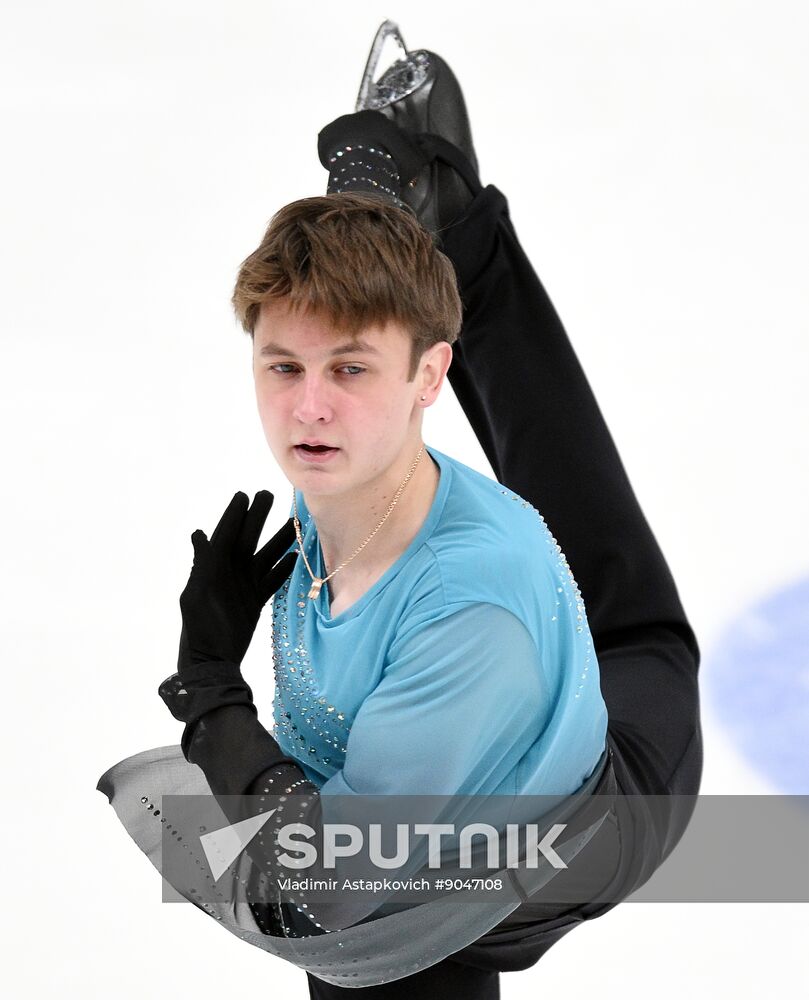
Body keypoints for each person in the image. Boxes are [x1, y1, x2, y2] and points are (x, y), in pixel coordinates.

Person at [97, 21, 703, 1000]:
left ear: (431, 377)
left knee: (636, 629)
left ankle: (464, 241)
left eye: (347, 370)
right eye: (281, 366)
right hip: (410, 842)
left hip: (577, 831)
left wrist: (210, 694)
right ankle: (453, 230)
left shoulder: (471, 611)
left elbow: (324, 882)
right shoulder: (346, 447)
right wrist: (370, 210)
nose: (307, 408)